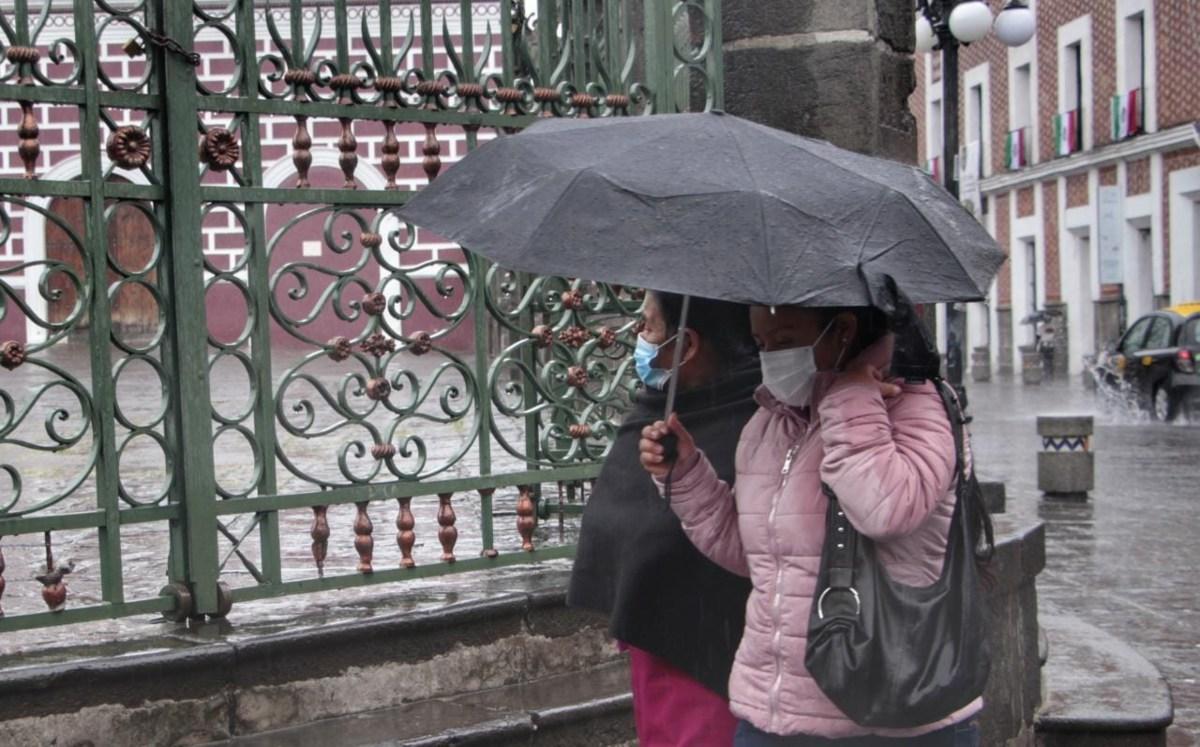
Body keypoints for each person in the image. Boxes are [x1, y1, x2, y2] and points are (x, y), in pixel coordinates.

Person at [639, 304, 982, 746]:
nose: (770, 359)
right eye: (761, 345)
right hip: (772, 714)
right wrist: (685, 474)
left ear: (842, 330)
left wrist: (849, 397)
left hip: (891, 717)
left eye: (783, 341)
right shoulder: (771, 422)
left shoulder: (915, 403)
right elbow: (758, 556)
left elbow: (888, 510)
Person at [568, 290, 760, 747]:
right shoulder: (657, 412)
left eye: (650, 327)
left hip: (715, 665)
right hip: (655, 654)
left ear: (688, 344)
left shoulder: (752, 420)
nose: (640, 338)